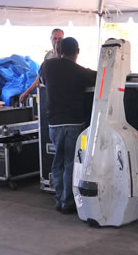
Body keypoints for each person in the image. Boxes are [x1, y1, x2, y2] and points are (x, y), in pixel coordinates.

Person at [38, 37, 96, 214]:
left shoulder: (47, 66)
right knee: (72, 161)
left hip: (54, 124)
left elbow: (42, 79)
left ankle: (59, 198)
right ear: (77, 52)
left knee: (58, 161)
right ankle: (68, 202)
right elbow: (99, 77)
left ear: (59, 50)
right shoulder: (80, 71)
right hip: (74, 123)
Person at [19, 28, 65, 103]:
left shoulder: (66, 55)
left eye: (60, 39)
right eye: (55, 38)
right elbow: (40, 77)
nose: (57, 41)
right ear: (51, 39)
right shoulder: (48, 55)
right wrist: (27, 92)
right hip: (50, 96)